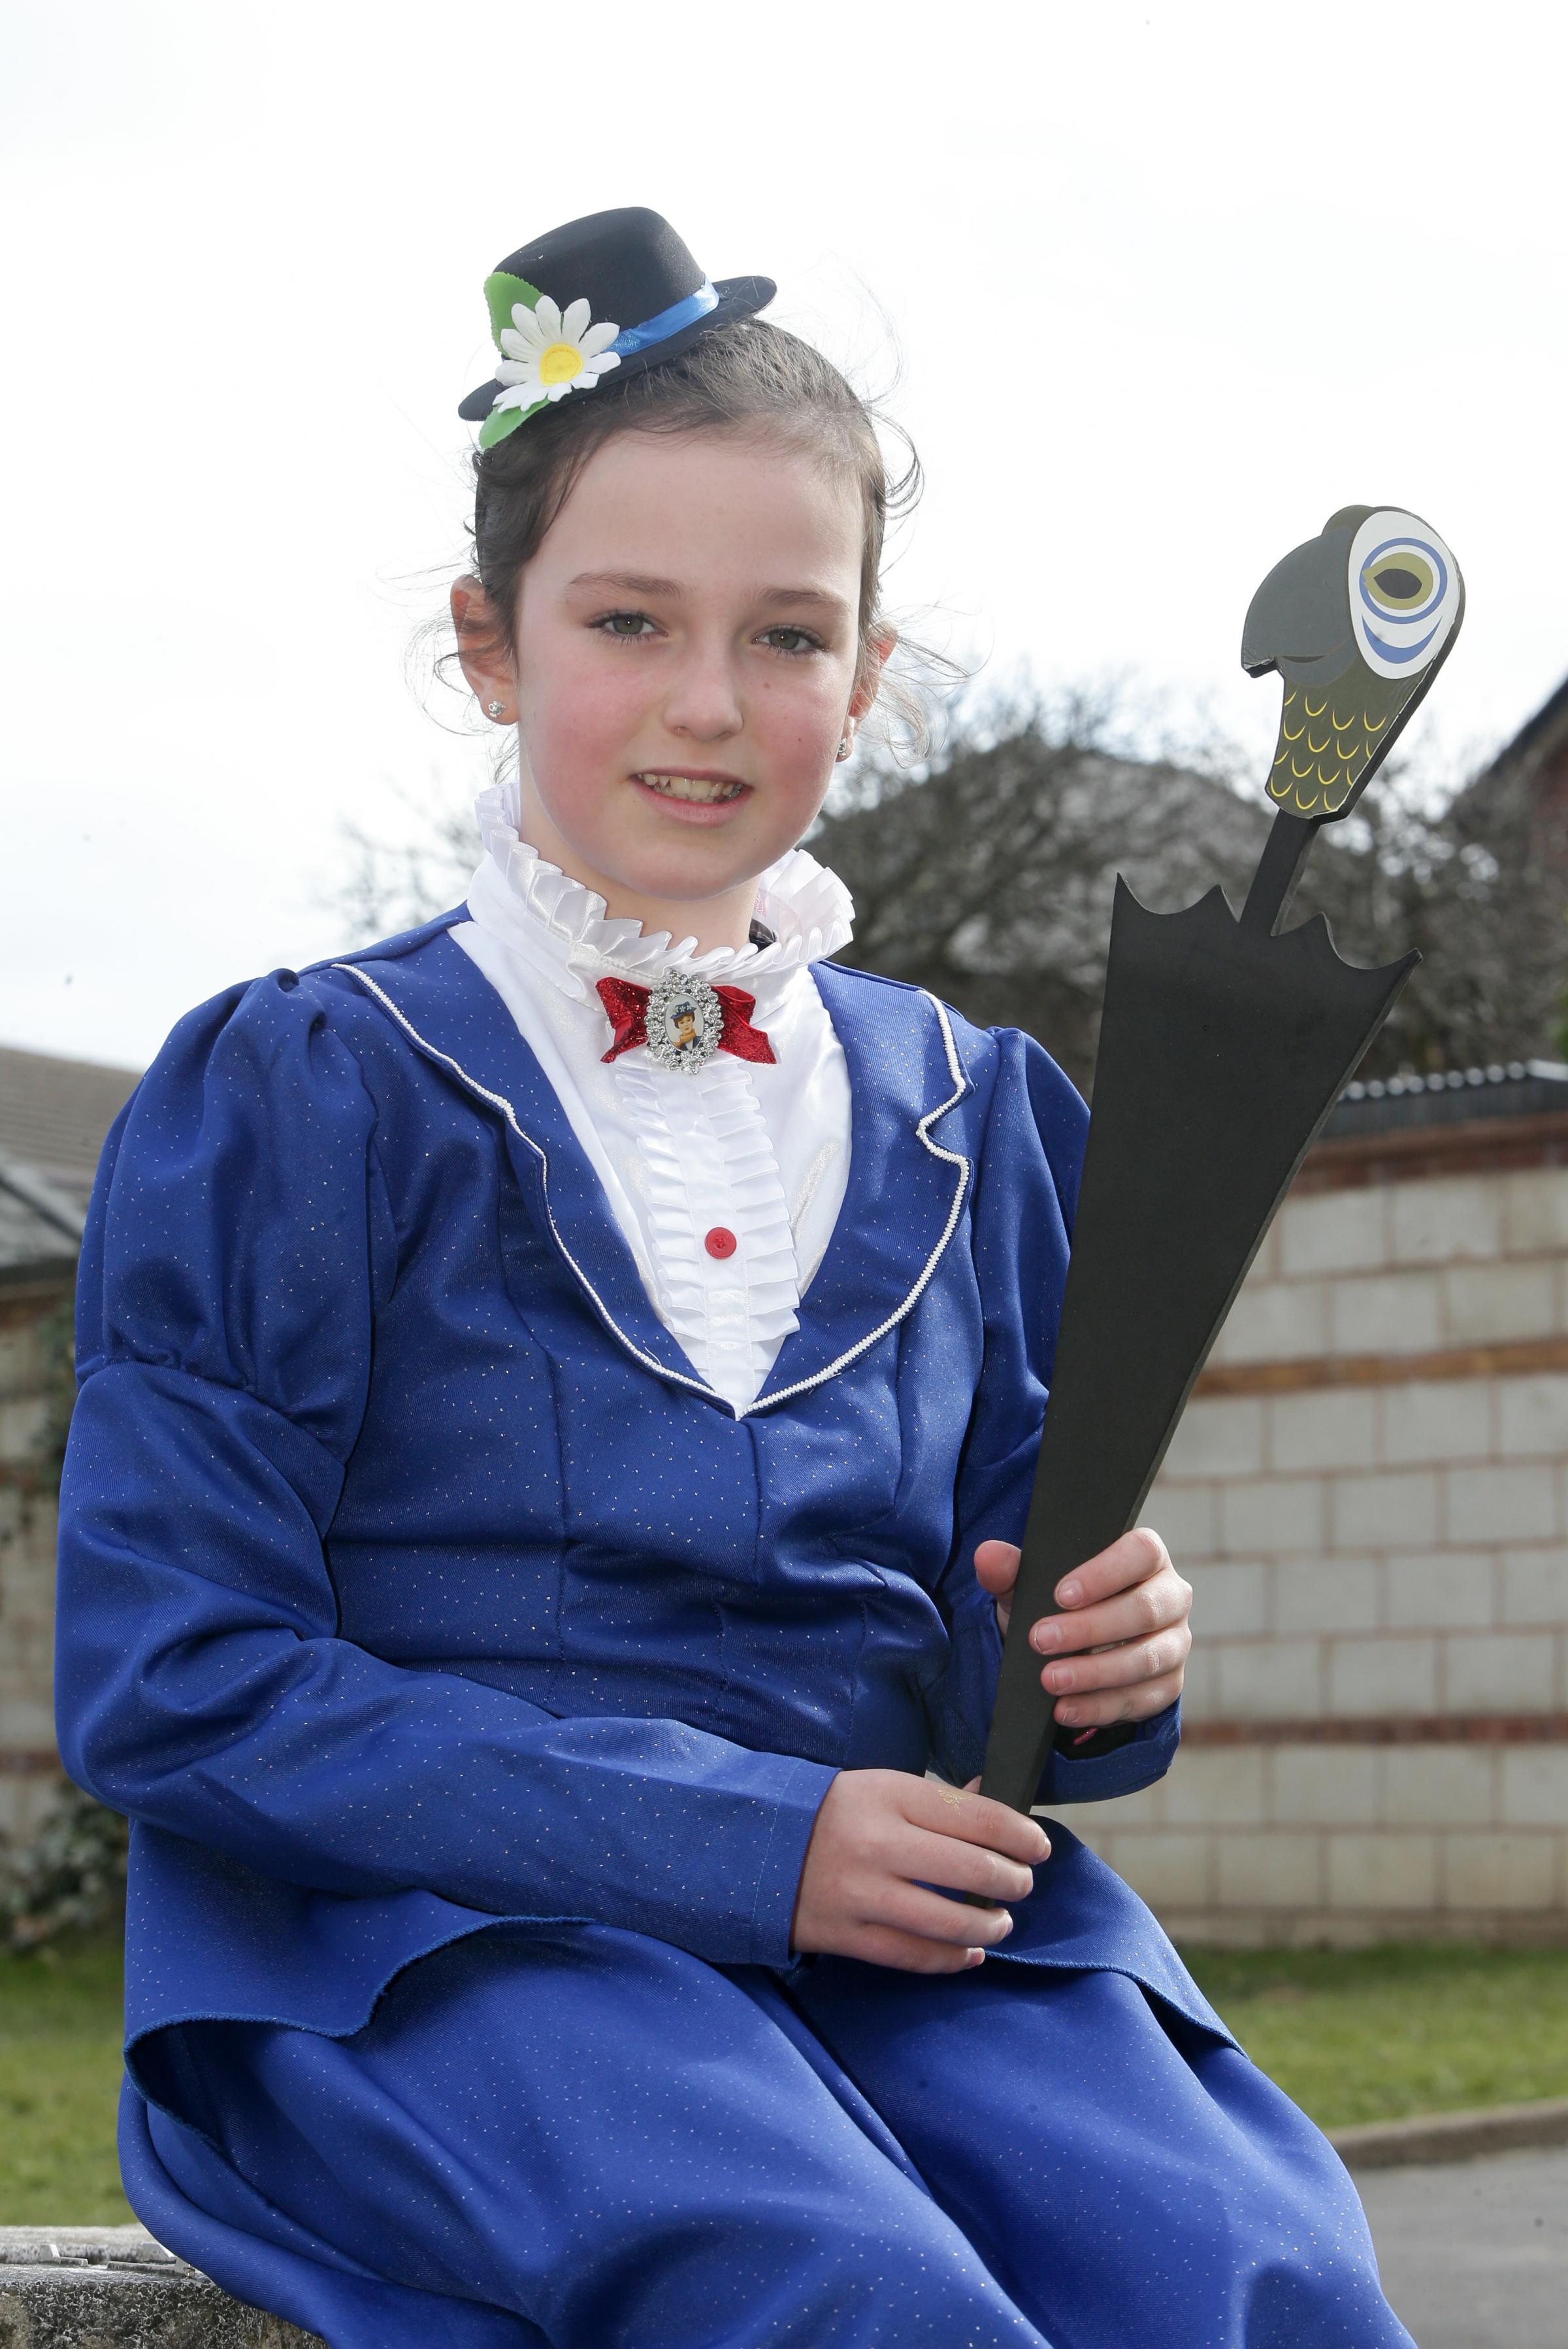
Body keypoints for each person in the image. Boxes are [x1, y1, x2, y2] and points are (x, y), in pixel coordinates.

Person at [55, 207, 1413, 2348]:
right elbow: (174, 1679)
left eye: (788, 635)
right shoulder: (309, 1091)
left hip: (904, 1946)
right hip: (437, 1951)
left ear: (868, 673)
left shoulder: (985, 1113)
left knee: (1250, 2272)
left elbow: (1003, 1686)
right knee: (838, 2291)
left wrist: (1101, 1663)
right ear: (491, 646)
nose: (710, 703)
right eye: (627, 620)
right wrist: (753, 1842)